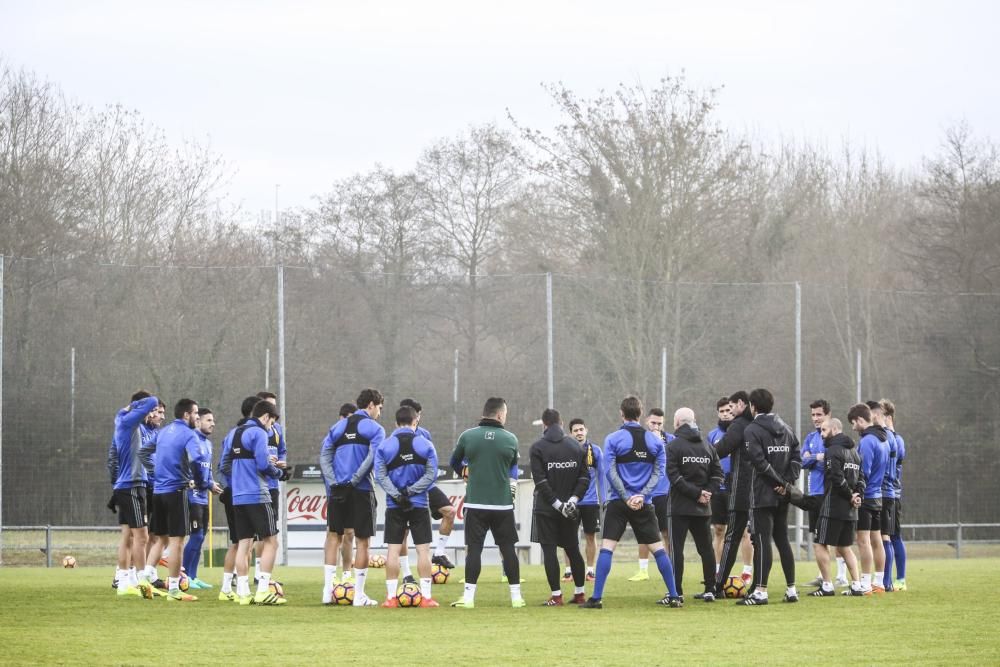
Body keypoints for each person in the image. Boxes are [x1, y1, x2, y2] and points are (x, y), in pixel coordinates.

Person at [581, 396, 681, 609]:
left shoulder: (613, 439)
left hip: (619, 502)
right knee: (659, 549)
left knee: (607, 548)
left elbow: (610, 471)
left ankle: (596, 598)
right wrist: (643, 495)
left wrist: (626, 496)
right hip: (644, 504)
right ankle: (674, 596)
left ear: (621, 413)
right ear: (641, 415)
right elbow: (659, 472)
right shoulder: (655, 441)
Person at [140, 398, 220, 602]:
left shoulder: (163, 432)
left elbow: (143, 452)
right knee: (177, 542)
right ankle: (174, 590)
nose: (197, 417)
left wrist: (155, 472)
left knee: (161, 538)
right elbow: (197, 460)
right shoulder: (189, 435)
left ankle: (146, 575)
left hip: (158, 491)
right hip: (176, 492)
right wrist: (200, 481)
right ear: (187, 415)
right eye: (195, 414)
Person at [448, 397, 524, 609]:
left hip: (476, 504)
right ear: (500, 415)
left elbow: (454, 461)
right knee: (508, 549)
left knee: (474, 550)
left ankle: (469, 599)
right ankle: (516, 598)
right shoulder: (511, 439)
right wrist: (512, 484)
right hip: (502, 505)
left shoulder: (467, 436)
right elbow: (513, 468)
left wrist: (464, 471)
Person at [780, 418, 866, 596]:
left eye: (825, 431)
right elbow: (861, 478)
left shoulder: (832, 451)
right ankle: (857, 585)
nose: (822, 434)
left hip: (832, 506)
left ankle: (827, 586)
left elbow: (836, 477)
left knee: (820, 543)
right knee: (844, 547)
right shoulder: (854, 452)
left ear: (835, 429)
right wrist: (857, 496)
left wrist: (851, 495)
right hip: (850, 509)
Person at [321, 388, 385, 606]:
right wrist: (355, 480)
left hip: (337, 490)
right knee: (363, 541)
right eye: (379, 408)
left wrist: (334, 482)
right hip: (361, 489)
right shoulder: (375, 429)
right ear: (371, 405)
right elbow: (372, 457)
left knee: (333, 537)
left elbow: (325, 456)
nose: (380, 413)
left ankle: (327, 592)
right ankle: (358, 596)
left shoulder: (337, 427)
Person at [375, 405, 441, 608]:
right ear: (415, 422)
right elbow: (431, 475)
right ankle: (427, 598)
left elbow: (380, 476)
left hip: (394, 506)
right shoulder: (426, 445)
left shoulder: (384, 446)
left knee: (393, 551)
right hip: (419, 504)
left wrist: (397, 494)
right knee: (423, 551)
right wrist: (412, 491)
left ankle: (390, 598)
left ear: (396, 423)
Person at [741, 388, 801, 606]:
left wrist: (779, 483)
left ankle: (761, 591)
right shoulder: (786, 427)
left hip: (762, 493)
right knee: (782, 539)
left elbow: (759, 462)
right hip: (783, 495)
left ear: (752, 406)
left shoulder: (752, 430)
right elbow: (797, 456)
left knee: (763, 540)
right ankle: (792, 589)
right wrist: (787, 483)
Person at [529, 409, 591, 606]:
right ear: (562, 424)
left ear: (544, 425)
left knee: (549, 551)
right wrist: (572, 501)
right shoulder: (577, 446)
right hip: (571, 509)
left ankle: (556, 596)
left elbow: (540, 481)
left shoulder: (537, 447)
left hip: (547, 509)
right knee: (573, 549)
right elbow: (584, 478)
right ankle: (580, 594)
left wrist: (557, 504)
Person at [230, 399, 287, 605]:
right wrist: (279, 472)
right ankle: (263, 590)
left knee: (244, 544)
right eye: (271, 422)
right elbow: (263, 465)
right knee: (271, 541)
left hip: (238, 496)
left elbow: (228, 462)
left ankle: (244, 593)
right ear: (265, 417)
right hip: (257, 494)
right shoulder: (260, 433)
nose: (271, 427)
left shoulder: (235, 432)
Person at [666, 407, 723, 602]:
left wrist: (696, 493)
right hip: (703, 508)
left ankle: (676, 592)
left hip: (680, 507)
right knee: (706, 549)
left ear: (678, 423)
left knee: (676, 550)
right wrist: (706, 493)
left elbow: (674, 477)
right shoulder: (708, 446)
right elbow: (718, 475)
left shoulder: (673, 446)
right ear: (694, 421)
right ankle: (710, 589)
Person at [109, 391, 160, 598]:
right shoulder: (127, 420)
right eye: (151, 412)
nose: (152, 413)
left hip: (133, 485)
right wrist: (132, 406)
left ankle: (123, 581)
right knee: (142, 537)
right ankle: (142, 582)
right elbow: (152, 400)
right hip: (130, 486)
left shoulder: (129, 425)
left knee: (129, 537)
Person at [400, 398, 458, 575]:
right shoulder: (396, 437)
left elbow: (430, 464)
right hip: (404, 489)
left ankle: (439, 553)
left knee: (450, 511)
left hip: (425, 486)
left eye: (419, 415)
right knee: (403, 532)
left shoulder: (425, 435)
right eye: (415, 414)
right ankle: (407, 574)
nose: (417, 418)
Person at [217, 395, 260, 601]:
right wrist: (238, 483)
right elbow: (224, 465)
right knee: (242, 543)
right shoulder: (248, 434)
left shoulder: (232, 434)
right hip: (244, 494)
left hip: (236, 493)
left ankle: (227, 587)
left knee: (239, 542)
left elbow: (223, 465)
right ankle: (233, 588)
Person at [712, 390, 755, 598]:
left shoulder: (739, 426)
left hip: (740, 488)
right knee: (763, 537)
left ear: (740, 404)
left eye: (731, 408)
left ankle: (720, 585)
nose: (728, 413)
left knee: (737, 534)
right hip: (755, 489)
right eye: (723, 410)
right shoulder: (771, 426)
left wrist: (699, 456)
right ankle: (761, 587)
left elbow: (720, 449)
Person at [802, 399, 848, 587]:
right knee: (817, 536)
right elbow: (802, 461)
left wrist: (814, 458)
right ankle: (823, 575)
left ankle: (842, 576)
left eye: (819, 414)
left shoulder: (833, 438)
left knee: (836, 537)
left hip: (830, 494)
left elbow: (831, 461)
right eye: (813, 415)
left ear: (828, 415)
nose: (815, 418)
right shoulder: (810, 438)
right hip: (814, 493)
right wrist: (816, 457)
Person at [848, 402, 889, 594]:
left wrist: (857, 493)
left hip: (866, 496)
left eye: (853, 422)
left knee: (863, 540)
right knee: (877, 539)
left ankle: (864, 583)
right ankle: (879, 582)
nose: (853, 427)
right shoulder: (884, 439)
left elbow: (863, 471)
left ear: (861, 420)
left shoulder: (867, 441)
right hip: (879, 495)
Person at [629, 408, 673, 582]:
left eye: (659, 423)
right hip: (644, 494)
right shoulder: (641, 438)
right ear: (647, 421)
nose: (656, 426)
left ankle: (670, 568)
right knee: (643, 532)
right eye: (653, 423)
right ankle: (643, 570)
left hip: (663, 493)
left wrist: (661, 443)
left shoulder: (670, 440)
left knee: (666, 532)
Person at [320, 402, 358, 600]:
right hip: (335, 493)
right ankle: (330, 582)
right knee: (334, 535)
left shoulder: (355, 438)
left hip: (352, 491)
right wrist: (333, 489)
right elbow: (325, 464)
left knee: (350, 534)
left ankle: (346, 575)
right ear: (342, 418)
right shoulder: (333, 436)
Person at [183, 408, 216, 589]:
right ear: (198, 421)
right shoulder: (191, 440)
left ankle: (193, 577)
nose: (213, 423)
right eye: (208, 420)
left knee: (202, 536)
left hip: (204, 496)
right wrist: (202, 483)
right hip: (192, 494)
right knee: (195, 536)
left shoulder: (208, 444)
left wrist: (211, 482)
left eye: (213, 420)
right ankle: (184, 577)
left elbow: (207, 470)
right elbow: (190, 466)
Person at [567, 418, 603, 582]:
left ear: (586, 430)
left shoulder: (595, 451)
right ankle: (569, 571)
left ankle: (590, 570)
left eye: (581, 429)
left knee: (590, 537)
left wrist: (604, 499)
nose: (579, 432)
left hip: (590, 502)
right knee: (569, 537)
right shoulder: (566, 451)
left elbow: (602, 476)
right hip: (571, 502)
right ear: (571, 433)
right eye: (576, 430)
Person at [881, 399, 907, 591]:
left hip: (892, 494)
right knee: (888, 536)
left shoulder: (894, 439)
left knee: (892, 536)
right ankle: (888, 579)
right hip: (889, 493)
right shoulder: (891, 438)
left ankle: (898, 579)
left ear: (888, 417)